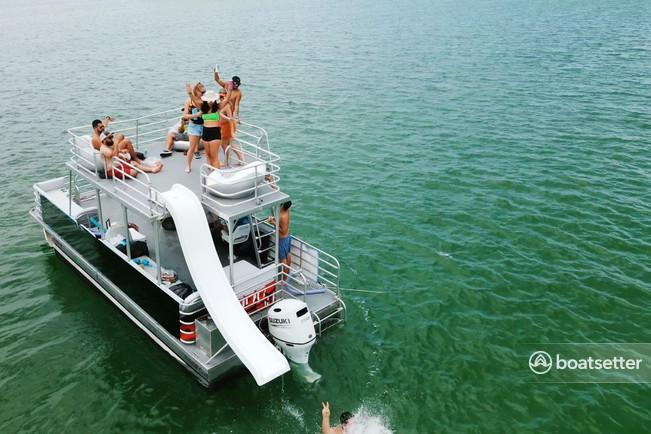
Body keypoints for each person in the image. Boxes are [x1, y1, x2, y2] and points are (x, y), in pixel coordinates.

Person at [217, 89, 244, 166]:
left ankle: (228, 160)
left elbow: (231, 119)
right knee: (229, 144)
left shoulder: (227, 105)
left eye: (223, 95)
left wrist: (232, 131)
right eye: (220, 95)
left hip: (227, 127)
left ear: (226, 96)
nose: (221, 97)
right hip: (222, 126)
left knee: (226, 145)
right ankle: (239, 158)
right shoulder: (220, 104)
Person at [183, 83, 206, 173]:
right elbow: (184, 116)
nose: (204, 93)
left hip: (205, 125)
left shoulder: (205, 100)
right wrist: (195, 115)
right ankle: (188, 165)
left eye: (205, 91)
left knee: (207, 147)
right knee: (191, 148)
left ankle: (210, 165)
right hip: (194, 126)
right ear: (196, 91)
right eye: (202, 92)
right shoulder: (189, 101)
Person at [268, 201, 292, 276]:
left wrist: (273, 223)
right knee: (288, 253)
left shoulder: (282, 216)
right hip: (288, 236)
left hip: (283, 239)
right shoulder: (287, 211)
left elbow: (283, 231)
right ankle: (288, 272)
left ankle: (285, 276)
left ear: (282, 206)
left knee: (283, 258)